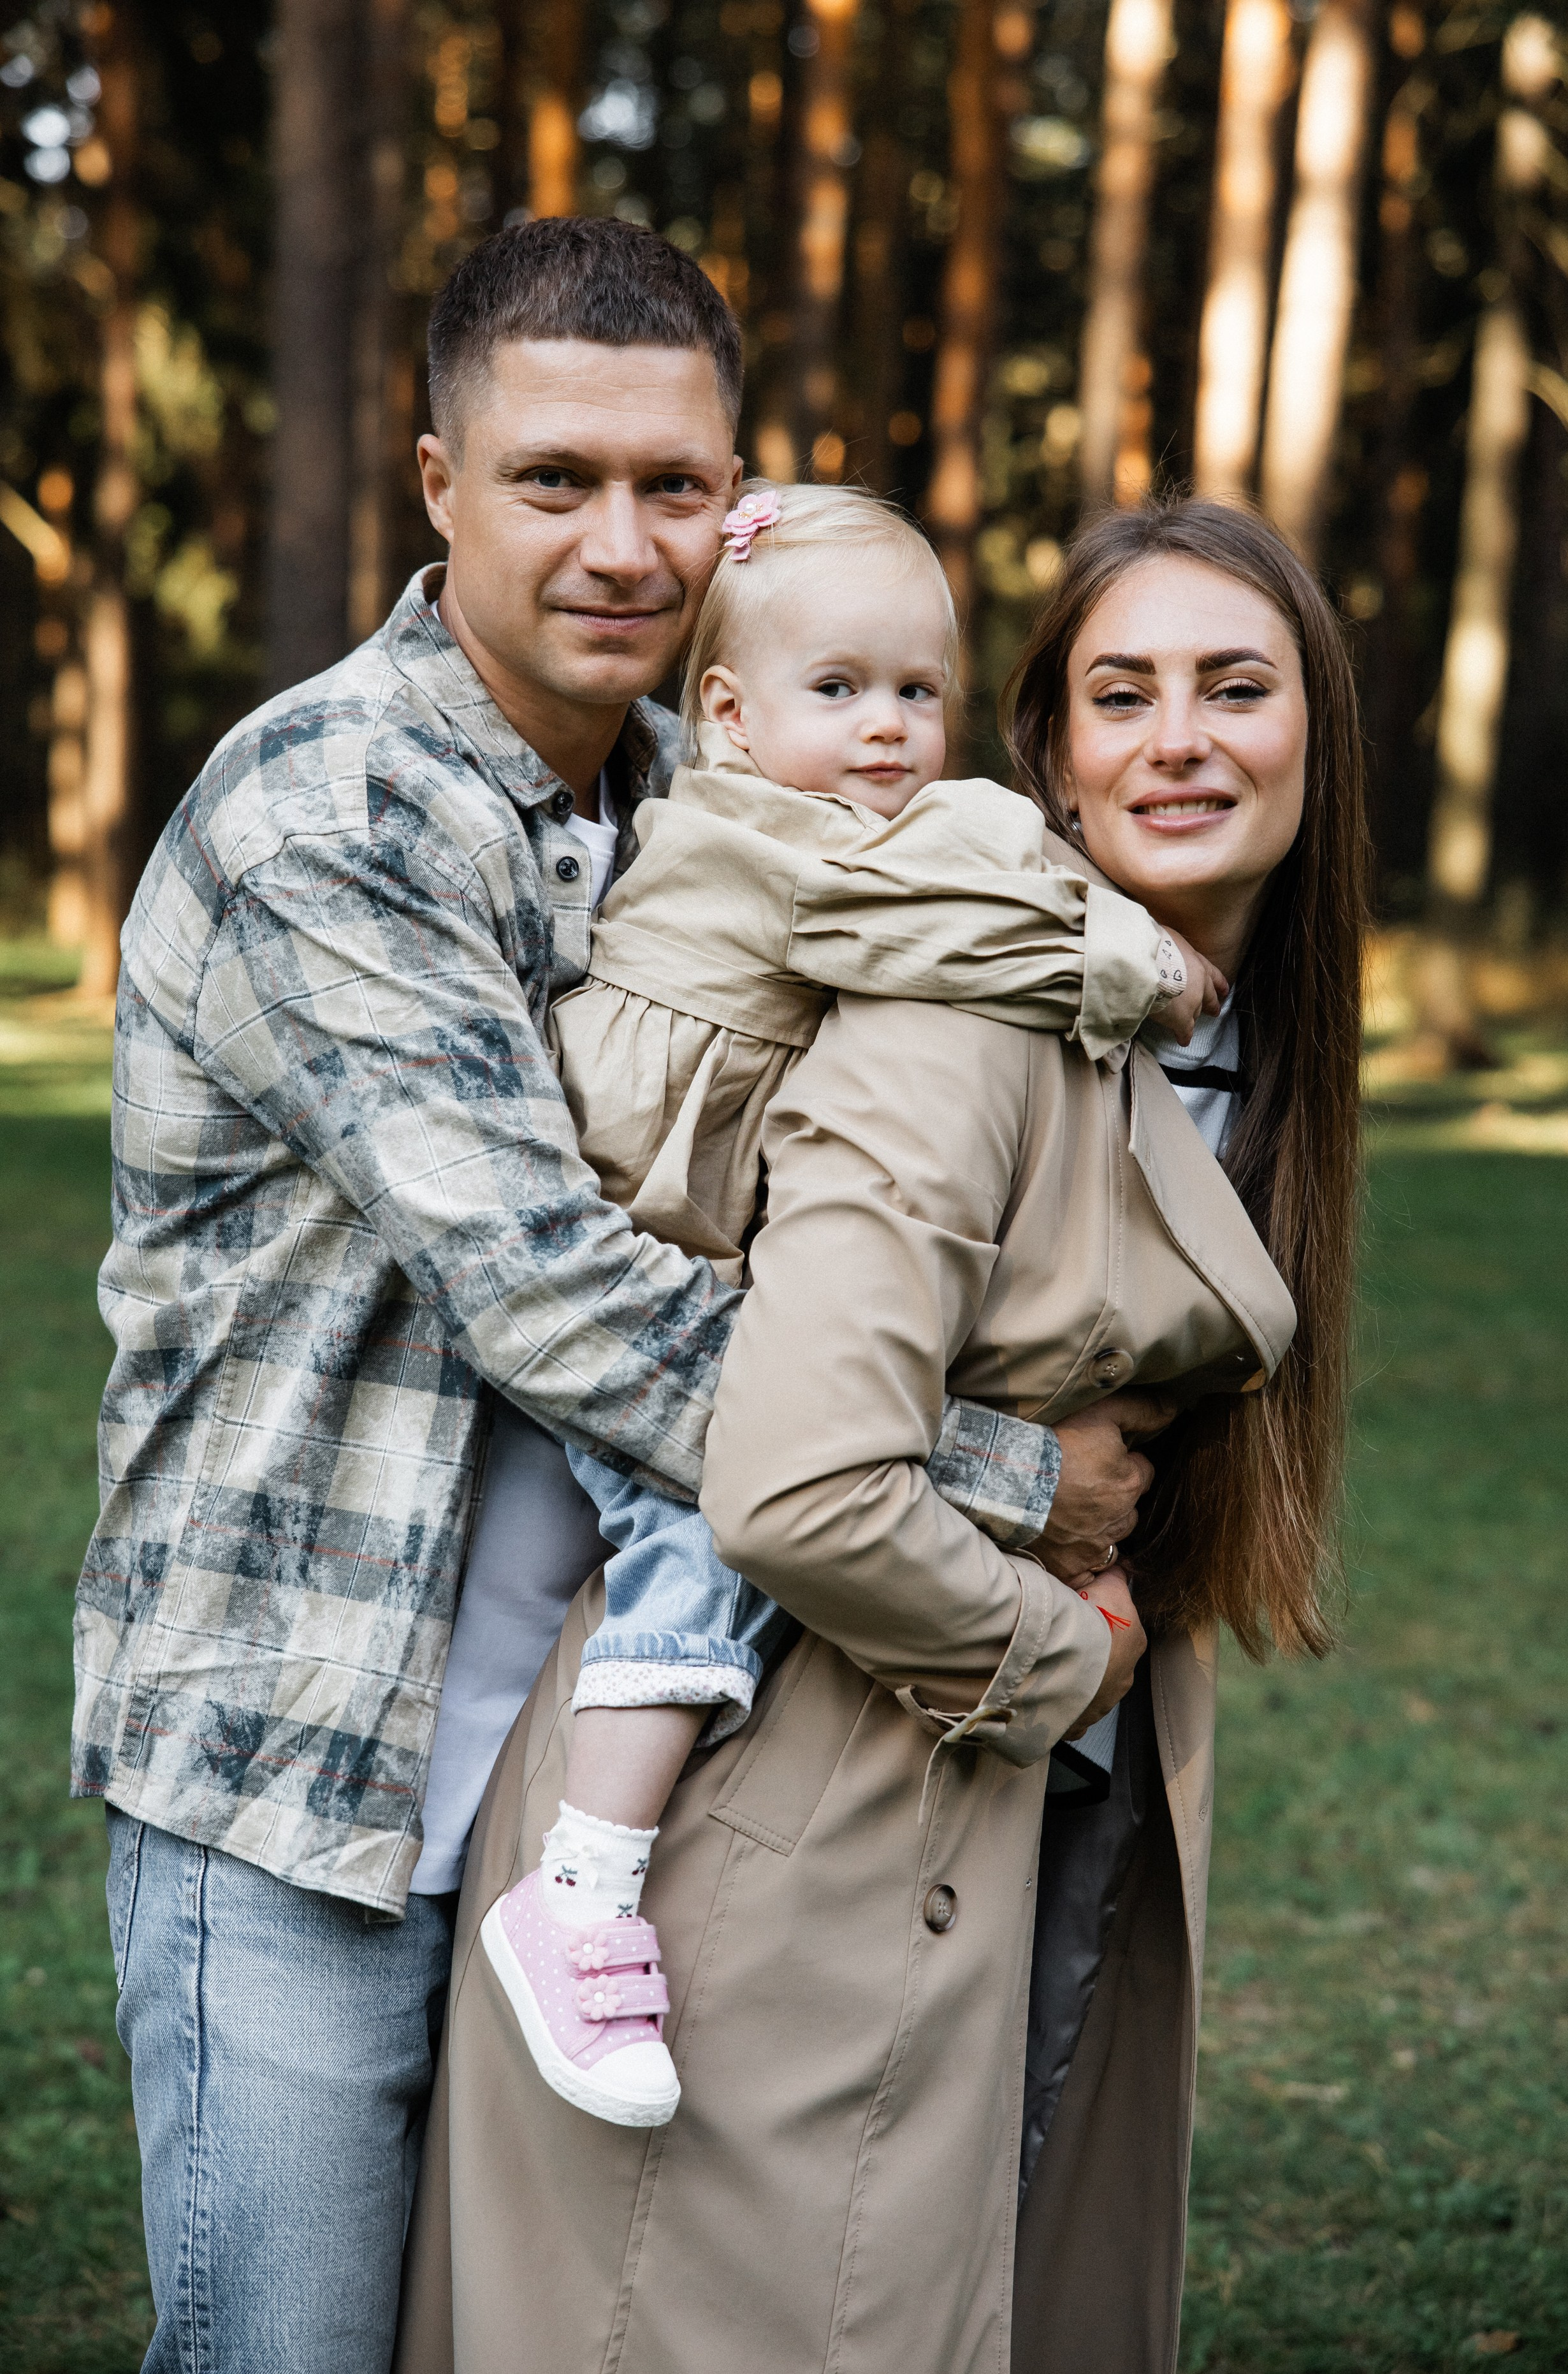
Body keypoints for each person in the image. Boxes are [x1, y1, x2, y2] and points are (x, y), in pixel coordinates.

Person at [73, 217, 1154, 2374]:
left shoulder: (698, 789)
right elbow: (556, 1298)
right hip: (302, 1760)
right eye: (554, 478)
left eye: (675, 485)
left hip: (594, 1735)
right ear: (437, 483)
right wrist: (1008, 1477)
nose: (621, 541)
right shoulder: (334, 812)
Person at [395, 495, 1368, 2374]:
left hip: (981, 1813)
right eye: (1122, 695)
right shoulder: (964, 1001)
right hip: (784, 1817)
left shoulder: (1241, 1043)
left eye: (1236, 688)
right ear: (1051, 753)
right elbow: (800, 1480)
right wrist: (1061, 1658)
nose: (1179, 739)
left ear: (1318, 728)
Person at [474, 478, 1228, 2129]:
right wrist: (1133, 963)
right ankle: (582, 1884)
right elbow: (942, 931)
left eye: (915, 690)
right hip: (638, 1258)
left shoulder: (842, 828)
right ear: (730, 716)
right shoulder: (762, 841)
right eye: (838, 688)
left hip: (698, 1239)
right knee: (696, 1548)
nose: (888, 727)